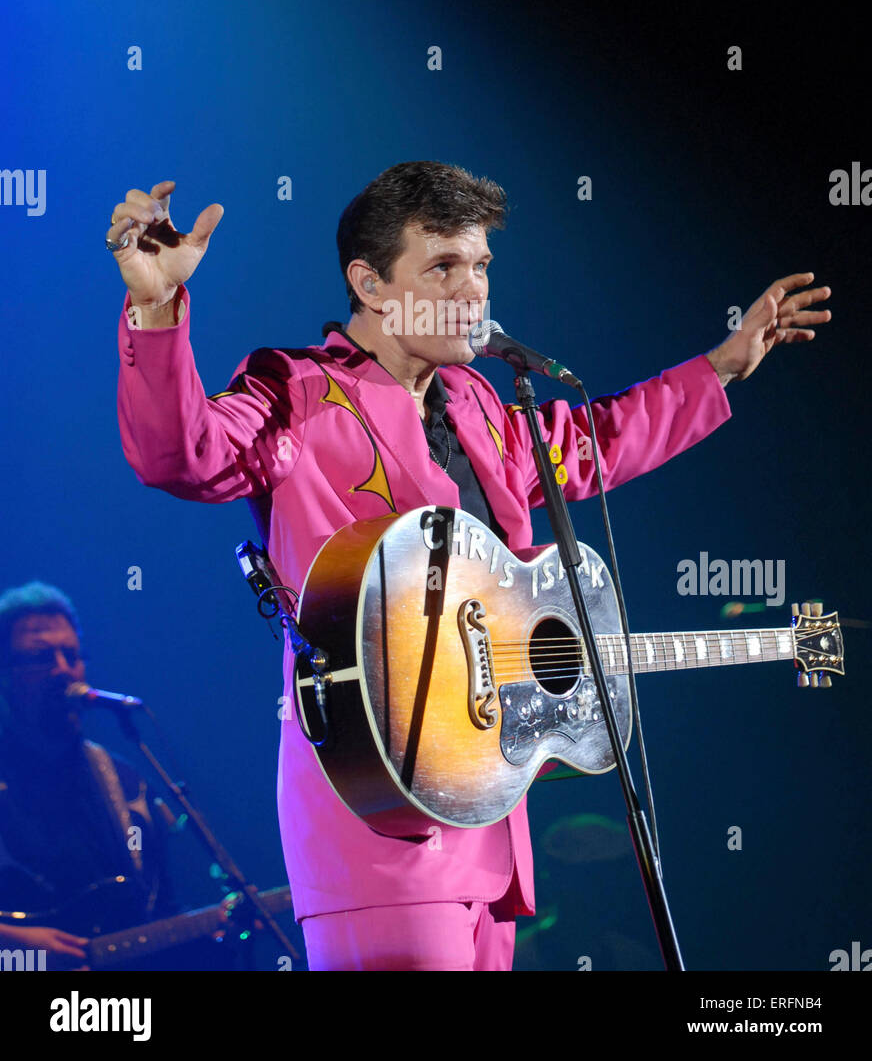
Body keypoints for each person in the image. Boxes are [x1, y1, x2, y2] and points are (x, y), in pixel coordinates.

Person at [107, 161, 831, 971]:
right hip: (377, 811)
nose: (473, 288)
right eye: (443, 265)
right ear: (372, 284)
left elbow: (595, 443)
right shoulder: (298, 392)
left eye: (481, 265)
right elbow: (183, 453)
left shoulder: (481, 402)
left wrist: (723, 365)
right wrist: (156, 306)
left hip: (488, 818)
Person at [0, 583, 174, 970]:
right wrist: (12, 945)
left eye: (72, 655)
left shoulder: (125, 783)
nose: (63, 668)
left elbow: (158, 908)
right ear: (5, 675)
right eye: (41, 657)